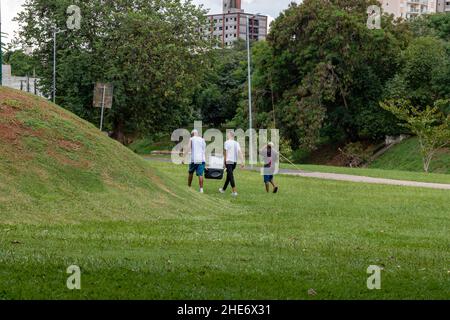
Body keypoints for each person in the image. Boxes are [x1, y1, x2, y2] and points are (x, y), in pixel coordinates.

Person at [219, 131, 244, 197]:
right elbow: (240, 152)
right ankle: (223, 189)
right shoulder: (237, 143)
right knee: (229, 176)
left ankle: (234, 192)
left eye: (228, 135)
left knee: (230, 176)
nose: (227, 136)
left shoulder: (226, 142)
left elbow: (225, 153)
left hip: (229, 161)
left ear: (230, 135)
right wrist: (242, 161)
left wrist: (224, 162)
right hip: (234, 162)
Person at [187, 129, 206, 193]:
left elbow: (188, 148)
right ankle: (201, 189)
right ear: (197, 133)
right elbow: (204, 150)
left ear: (192, 134)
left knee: (191, 172)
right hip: (201, 159)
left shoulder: (191, 139)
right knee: (200, 174)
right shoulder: (202, 139)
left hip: (194, 159)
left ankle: (189, 186)